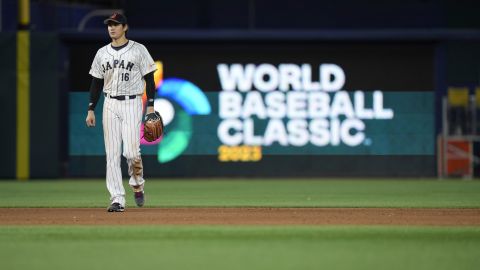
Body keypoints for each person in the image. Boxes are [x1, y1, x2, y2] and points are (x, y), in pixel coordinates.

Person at [85, 13, 157, 212]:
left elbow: (150, 79)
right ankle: (117, 198)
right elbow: (96, 83)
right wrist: (91, 108)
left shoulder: (138, 50)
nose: (112, 28)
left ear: (125, 27)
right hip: (109, 104)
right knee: (112, 155)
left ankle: (137, 184)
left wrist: (150, 105)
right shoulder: (102, 53)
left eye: (116, 24)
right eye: (109, 25)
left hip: (132, 103)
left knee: (132, 153)